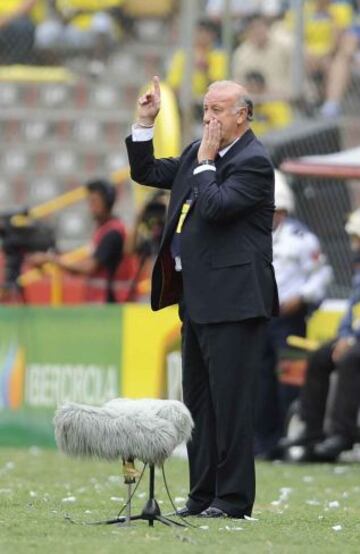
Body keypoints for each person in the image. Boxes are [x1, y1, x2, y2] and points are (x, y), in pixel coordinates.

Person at [125, 76, 278, 518]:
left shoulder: (254, 162)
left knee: (230, 404)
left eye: (218, 110)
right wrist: (144, 122)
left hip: (235, 300)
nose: (208, 118)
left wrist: (208, 160)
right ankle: (201, 495)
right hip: (198, 298)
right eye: (206, 109)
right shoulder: (197, 151)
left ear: (242, 115)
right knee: (199, 405)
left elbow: (215, 206)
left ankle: (232, 500)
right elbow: (147, 172)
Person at [255, 170, 332, 459]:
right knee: (260, 381)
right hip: (262, 317)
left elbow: (322, 275)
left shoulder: (302, 239)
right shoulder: (259, 234)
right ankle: (263, 444)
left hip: (289, 320)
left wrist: (302, 297)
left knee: (289, 381)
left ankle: (291, 443)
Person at [282, 207, 360, 462]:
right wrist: (345, 336)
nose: (353, 244)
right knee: (319, 357)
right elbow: (354, 311)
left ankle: (341, 435)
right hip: (355, 336)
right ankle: (312, 432)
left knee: (349, 360)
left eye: (356, 238)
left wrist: (351, 340)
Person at [31, 179, 126, 303]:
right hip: (100, 300)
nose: (91, 206)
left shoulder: (112, 232)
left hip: (108, 301)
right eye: (89, 201)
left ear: (107, 202)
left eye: (95, 201)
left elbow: (89, 267)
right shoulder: (104, 229)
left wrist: (51, 259)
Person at [0, 0, 38, 64]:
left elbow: (26, 7)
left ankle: (15, 64)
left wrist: (4, 20)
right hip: (4, 23)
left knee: (23, 28)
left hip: (26, 21)